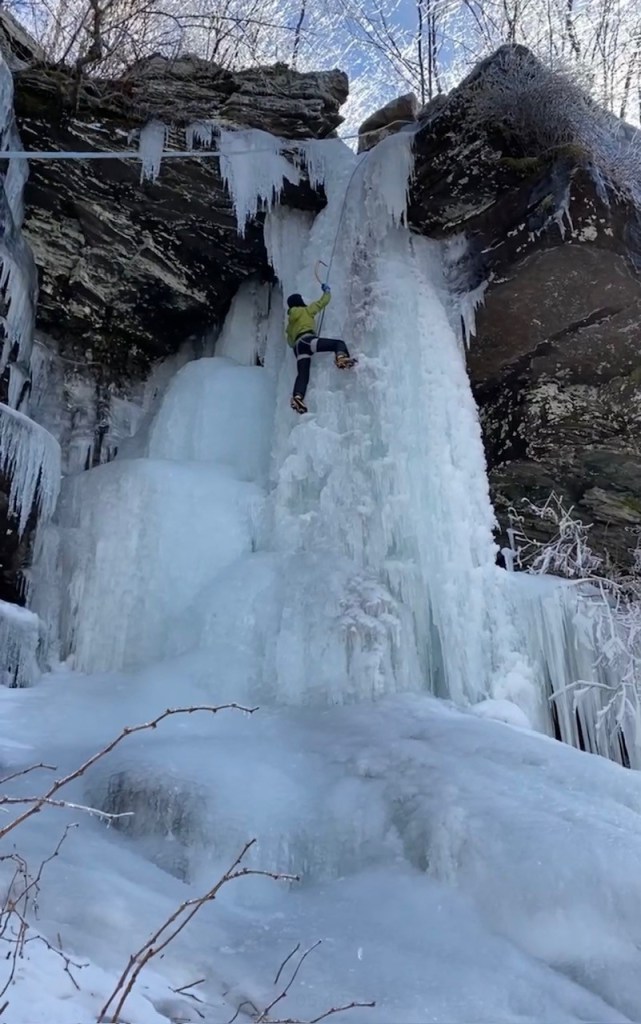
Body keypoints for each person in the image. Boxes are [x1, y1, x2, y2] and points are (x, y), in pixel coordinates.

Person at [286, 284, 356, 414]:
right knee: (338, 344)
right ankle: (341, 358)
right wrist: (327, 292)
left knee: (302, 375)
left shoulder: (290, 324)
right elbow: (321, 303)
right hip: (307, 341)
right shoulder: (305, 310)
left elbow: (290, 342)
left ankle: (297, 397)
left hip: (298, 348)